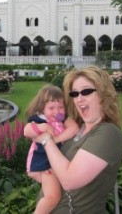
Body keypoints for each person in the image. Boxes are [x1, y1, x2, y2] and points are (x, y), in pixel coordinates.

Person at [25, 66, 122, 214]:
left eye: (86, 91)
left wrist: (46, 139)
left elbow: (70, 180)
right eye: (75, 93)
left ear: (104, 94)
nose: (79, 98)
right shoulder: (77, 128)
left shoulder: (108, 133)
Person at [24, 85, 79, 214]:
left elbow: (74, 129)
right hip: (44, 164)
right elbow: (26, 131)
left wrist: (55, 139)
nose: (57, 112)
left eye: (61, 107)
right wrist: (42, 128)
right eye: (51, 108)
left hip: (55, 162)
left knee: (56, 194)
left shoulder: (64, 119)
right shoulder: (39, 119)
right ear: (41, 108)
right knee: (52, 197)